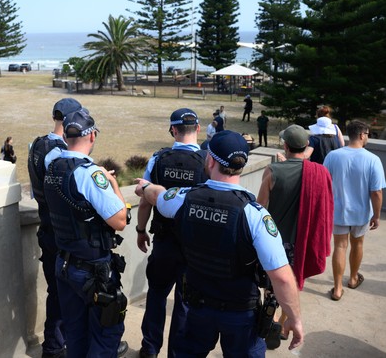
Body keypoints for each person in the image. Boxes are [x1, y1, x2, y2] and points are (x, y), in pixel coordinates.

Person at [135, 130, 304, 357]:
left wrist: (145, 187)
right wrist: (294, 319)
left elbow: (158, 195)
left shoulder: (184, 198)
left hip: (197, 309)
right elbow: (282, 277)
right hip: (240, 315)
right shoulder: (255, 215)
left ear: (210, 160)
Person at [43, 109, 129, 358]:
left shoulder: (52, 166)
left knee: (75, 334)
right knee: (105, 334)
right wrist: (112, 184)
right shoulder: (90, 175)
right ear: (91, 137)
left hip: (64, 264)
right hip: (92, 270)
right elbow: (120, 220)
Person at [137, 108, 208, 358]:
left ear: (173, 130)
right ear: (198, 129)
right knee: (184, 304)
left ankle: (149, 347)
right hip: (194, 247)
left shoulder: (158, 159)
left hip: (164, 241)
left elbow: (145, 199)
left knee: (156, 294)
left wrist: (140, 230)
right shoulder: (207, 162)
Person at [257, 124, 333, 348]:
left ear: (285, 145)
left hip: (275, 242)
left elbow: (259, 208)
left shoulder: (273, 172)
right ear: (307, 145)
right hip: (303, 242)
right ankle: (282, 323)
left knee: (271, 287)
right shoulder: (319, 173)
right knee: (291, 284)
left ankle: (267, 323)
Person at [27, 97, 83, 358]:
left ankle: (54, 345)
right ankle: (57, 346)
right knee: (66, 294)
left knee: (56, 291)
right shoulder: (58, 154)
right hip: (60, 233)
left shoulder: (37, 144)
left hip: (45, 227)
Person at [323, 120, 386, 301]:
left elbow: (324, 184)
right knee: (357, 244)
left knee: (340, 246)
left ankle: (337, 289)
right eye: (367, 134)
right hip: (361, 213)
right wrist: (376, 215)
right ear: (361, 134)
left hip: (337, 212)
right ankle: (352, 278)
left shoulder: (332, 156)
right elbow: (376, 192)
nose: (367, 137)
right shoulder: (372, 159)